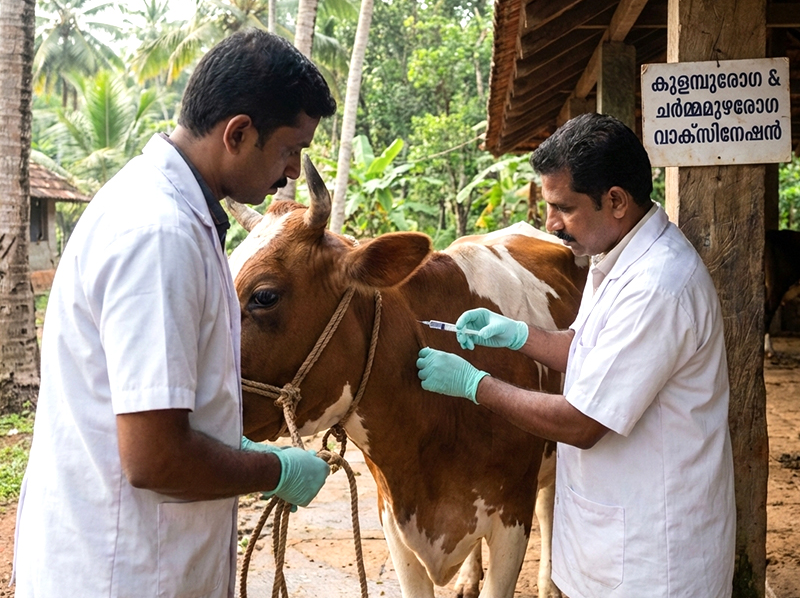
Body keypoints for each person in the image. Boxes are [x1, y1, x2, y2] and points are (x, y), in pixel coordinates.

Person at [13, 29, 337, 597]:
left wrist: (231, 442)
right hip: (124, 574)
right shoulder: (159, 233)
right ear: (238, 133)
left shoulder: (170, 210)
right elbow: (156, 459)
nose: (293, 170)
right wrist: (275, 470)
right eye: (290, 149)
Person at [416, 113, 735, 597]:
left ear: (616, 201)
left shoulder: (658, 287)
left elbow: (583, 422)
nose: (550, 224)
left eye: (563, 207)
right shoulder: (616, 257)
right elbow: (587, 348)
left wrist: (475, 385)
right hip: (612, 538)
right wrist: (517, 335)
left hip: (655, 558)